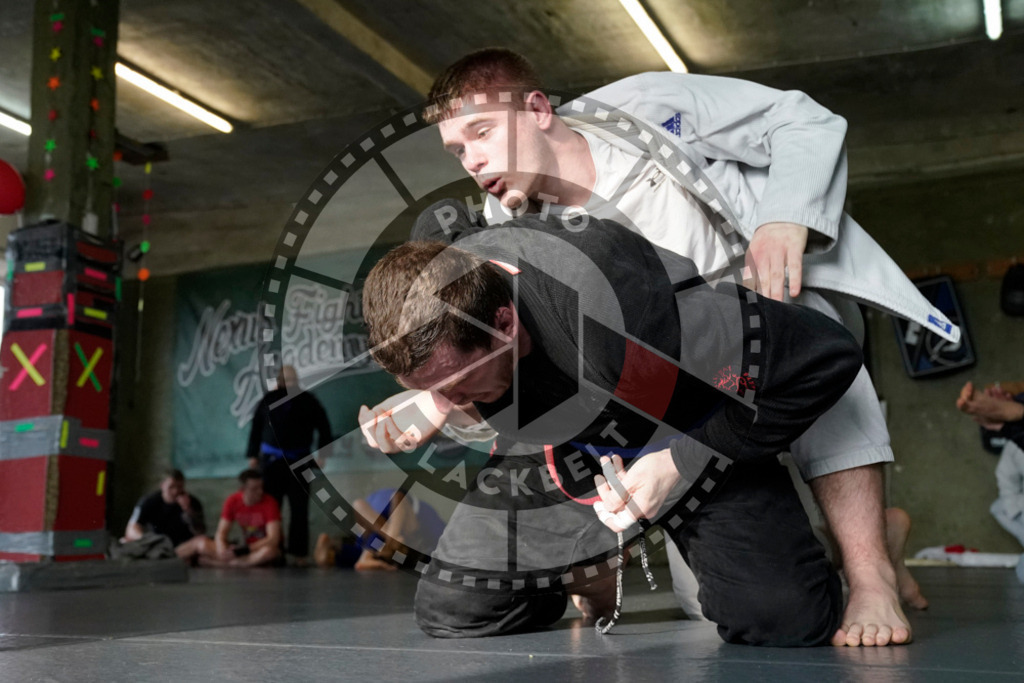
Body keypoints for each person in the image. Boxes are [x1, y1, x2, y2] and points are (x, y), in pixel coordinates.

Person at [411, 48, 956, 646]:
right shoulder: (504, 218)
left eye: (481, 132)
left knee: (808, 344)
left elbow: (801, 120)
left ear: (538, 109)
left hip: (732, 350)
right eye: (458, 150)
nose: (473, 159)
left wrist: (783, 219)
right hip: (633, 403)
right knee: (704, 608)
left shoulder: (645, 108)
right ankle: (592, 566)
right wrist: (445, 398)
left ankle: (871, 572)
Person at [361, 199, 864, 646]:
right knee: (453, 607)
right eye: (429, 386)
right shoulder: (455, 267)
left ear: (504, 324)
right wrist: (440, 398)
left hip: (683, 432)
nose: (448, 400)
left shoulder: (618, 317)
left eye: (456, 381)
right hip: (567, 445)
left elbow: (827, 354)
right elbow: (440, 219)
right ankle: (584, 572)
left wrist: (681, 462)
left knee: (783, 621)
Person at [246, 365, 333, 565]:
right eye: (285, 379)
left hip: (300, 460)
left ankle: (299, 553)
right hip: (271, 463)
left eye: (292, 378)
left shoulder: (308, 400)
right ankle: (274, 550)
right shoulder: (268, 400)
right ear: (279, 380)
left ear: (297, 380)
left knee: (299, 509)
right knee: (270, 509)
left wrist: (324, 455)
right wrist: (253, 456)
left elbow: (324, 427)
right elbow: (256, 428)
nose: (288, 382)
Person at [957, 381, 1024, 551]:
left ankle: (1017, 415)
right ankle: (1016, 416)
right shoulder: (1014, 450)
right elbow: (1005, 476)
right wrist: (1014, 505)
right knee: (999, 509)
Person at [313, 488, 446, 571]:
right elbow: (398, 497)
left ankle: (332, 549)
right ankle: (391, 540)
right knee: (402, 528)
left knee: (330, 560)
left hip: (379, 538)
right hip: (391, 531)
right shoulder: (423, 520)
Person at [198, 469, 283, 568]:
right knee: (202, 543)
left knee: (269, 552)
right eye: (255, 489)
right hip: (245, 551)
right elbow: (221, 532)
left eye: (261, 487)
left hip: (258, 549)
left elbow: (273, 539)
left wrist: (244, 550)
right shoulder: (232, 501)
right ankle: (237, 562)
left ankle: (224, 565)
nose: (260, 492)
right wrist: (222, 548)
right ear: (243, 489)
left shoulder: (270, 503)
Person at [122, 468, 211, 561]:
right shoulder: (149, 501)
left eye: (179, 487)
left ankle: (168, 558)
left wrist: (188, 511)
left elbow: (200, 532)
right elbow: (132, 527)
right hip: (158, 545)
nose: (175, 491)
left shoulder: (192, 502)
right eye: (171, 487)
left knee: (202, 543)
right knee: (125, 541)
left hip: (184, 547)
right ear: (162, 486)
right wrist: (146, 540)